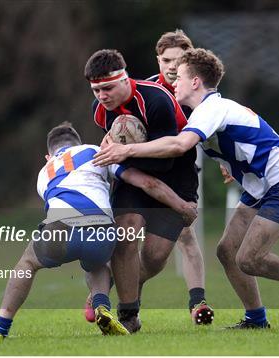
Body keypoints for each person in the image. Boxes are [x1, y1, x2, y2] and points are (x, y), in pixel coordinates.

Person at [93, 48, 279, 330]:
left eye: (180, 77)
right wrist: (230, 161)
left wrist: (126, 150)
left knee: (248, 258)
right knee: (226, 251)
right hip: (260, 187)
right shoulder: (207, 111)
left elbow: (179, 145)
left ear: (196, 82)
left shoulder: (212, 108)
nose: (174, 82)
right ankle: (256, 319)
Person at [0, 122, 197, 340]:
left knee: (27, 263)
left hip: (62, 226)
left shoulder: (44, 172)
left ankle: (0, 328)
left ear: (49, 155)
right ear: (79, 143)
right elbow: (146, 183)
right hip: (102, 229)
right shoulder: (96, 152)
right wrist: (181, 205)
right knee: (97, 263)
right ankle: (102, 306)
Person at [83, 49, 201, 332]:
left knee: (154, 257)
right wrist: (120, 160)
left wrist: (124, 153)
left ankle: (114, 282)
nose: (102, 95)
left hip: (175, 177)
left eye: (108, 87)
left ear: (125, 79)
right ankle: (128, 315)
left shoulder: (156, 100)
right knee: (126, 234)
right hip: (134, 177)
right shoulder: (100, 110)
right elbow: (114, 153)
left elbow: (167, 158)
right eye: (96, 90)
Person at [146, 30, 213, 323]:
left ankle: (198, 303)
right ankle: (102, 293)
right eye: (166, 60)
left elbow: (219, 125)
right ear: (158, 60)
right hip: (144, 173)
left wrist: (226, 162)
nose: (172, 66)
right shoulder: (145, 91)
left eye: (179, 60)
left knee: (186, 235)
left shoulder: (196, 91)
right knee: (132, 239)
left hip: (182, 170)